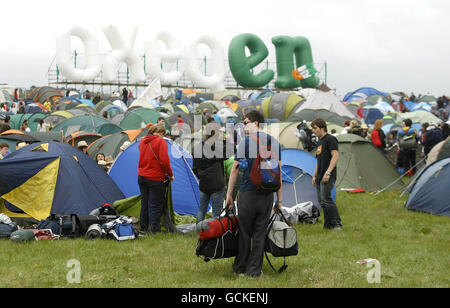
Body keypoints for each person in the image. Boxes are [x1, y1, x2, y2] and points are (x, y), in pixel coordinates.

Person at [225, 110, 282, 278]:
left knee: (244, 231)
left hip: (248, 193)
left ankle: (240, 267)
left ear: (256, 123)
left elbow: (235, 170)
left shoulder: (246, 143)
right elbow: (278, 172)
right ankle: (255, 270)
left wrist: (229, 195)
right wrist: (279, 200)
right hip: (267, 195)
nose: (243, 125)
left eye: (245, 122)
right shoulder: (274, 142)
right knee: (259, 233)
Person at [138, 124, 174, 234]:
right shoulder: (160, 141)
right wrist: (170, 174)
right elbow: (164, 161)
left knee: (145, 204)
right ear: (160, 133)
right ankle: (154, 230)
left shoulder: (142, 141)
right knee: (155, 205)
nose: (163, 137)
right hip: (155, 178)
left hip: (141, 176)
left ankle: (143, 227)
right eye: (163, 134)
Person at [193, 124, 232, 222]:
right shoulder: (217, 147)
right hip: (216, 182)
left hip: (204, 182)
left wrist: (201, 176)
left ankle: (199, 230)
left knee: (201, 209)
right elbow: (231, 151)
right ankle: (214, 233)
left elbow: (195, 167)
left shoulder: (198, 146)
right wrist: (224, 140)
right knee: (215, 211)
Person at [311, 118, 342, 230]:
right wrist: (314, 175)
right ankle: (328, 225)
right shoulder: (319, 142)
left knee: (326, 200)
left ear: (322, 128)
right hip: (319, 176)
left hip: (328, 175)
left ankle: (337, 224)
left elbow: (335, 156)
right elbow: (319, 162)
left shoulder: (330, 139)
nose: (313, 131)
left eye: (315, 128)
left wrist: (328, 172)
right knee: (322, 202)